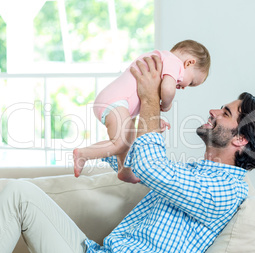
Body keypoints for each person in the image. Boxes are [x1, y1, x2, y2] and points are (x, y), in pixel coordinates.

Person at [0, 56, 255, 253]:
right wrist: (130, 130)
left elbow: (152, 167)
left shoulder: (226, 190)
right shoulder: (194, 172)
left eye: (225, 113)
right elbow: (134, 171)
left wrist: (151, 97)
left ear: (241, 140)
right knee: (19, 194)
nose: (213, 110)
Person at [73, 40, 211, 183]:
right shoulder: (173, 61)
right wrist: (167, 104)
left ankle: (124, 171)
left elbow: (142, 100)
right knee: (120, 143)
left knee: (129, 142)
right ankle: (84, 154)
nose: (184, 87)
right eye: (192, 82)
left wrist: (156, 121)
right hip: (115, 101)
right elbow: (168, 90)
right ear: (189, 63)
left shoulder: (162, 62)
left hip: (121, 103)